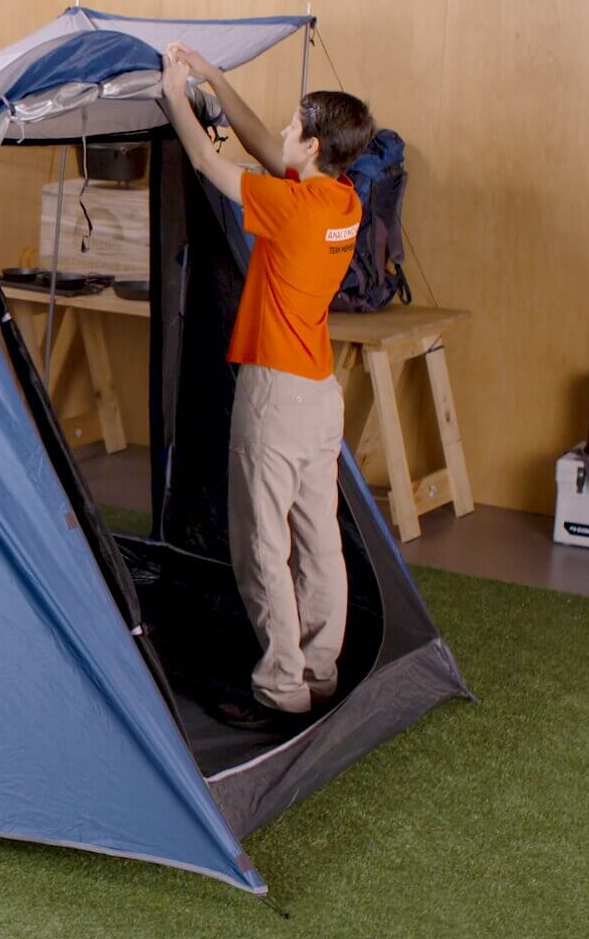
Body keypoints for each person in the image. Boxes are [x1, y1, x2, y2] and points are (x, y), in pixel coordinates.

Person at [158, 43, 376, 731]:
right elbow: (261, 142)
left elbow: (205, 160)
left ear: (311, 144)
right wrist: (216, 77)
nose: (280, 132)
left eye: (291, 126)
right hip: (317, 393)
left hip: (277, 395)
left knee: (260, 543)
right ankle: (319, 669)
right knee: (318, 538)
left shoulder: (293, 208)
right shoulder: (340, 200)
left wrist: (174, 94)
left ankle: (279, 685)